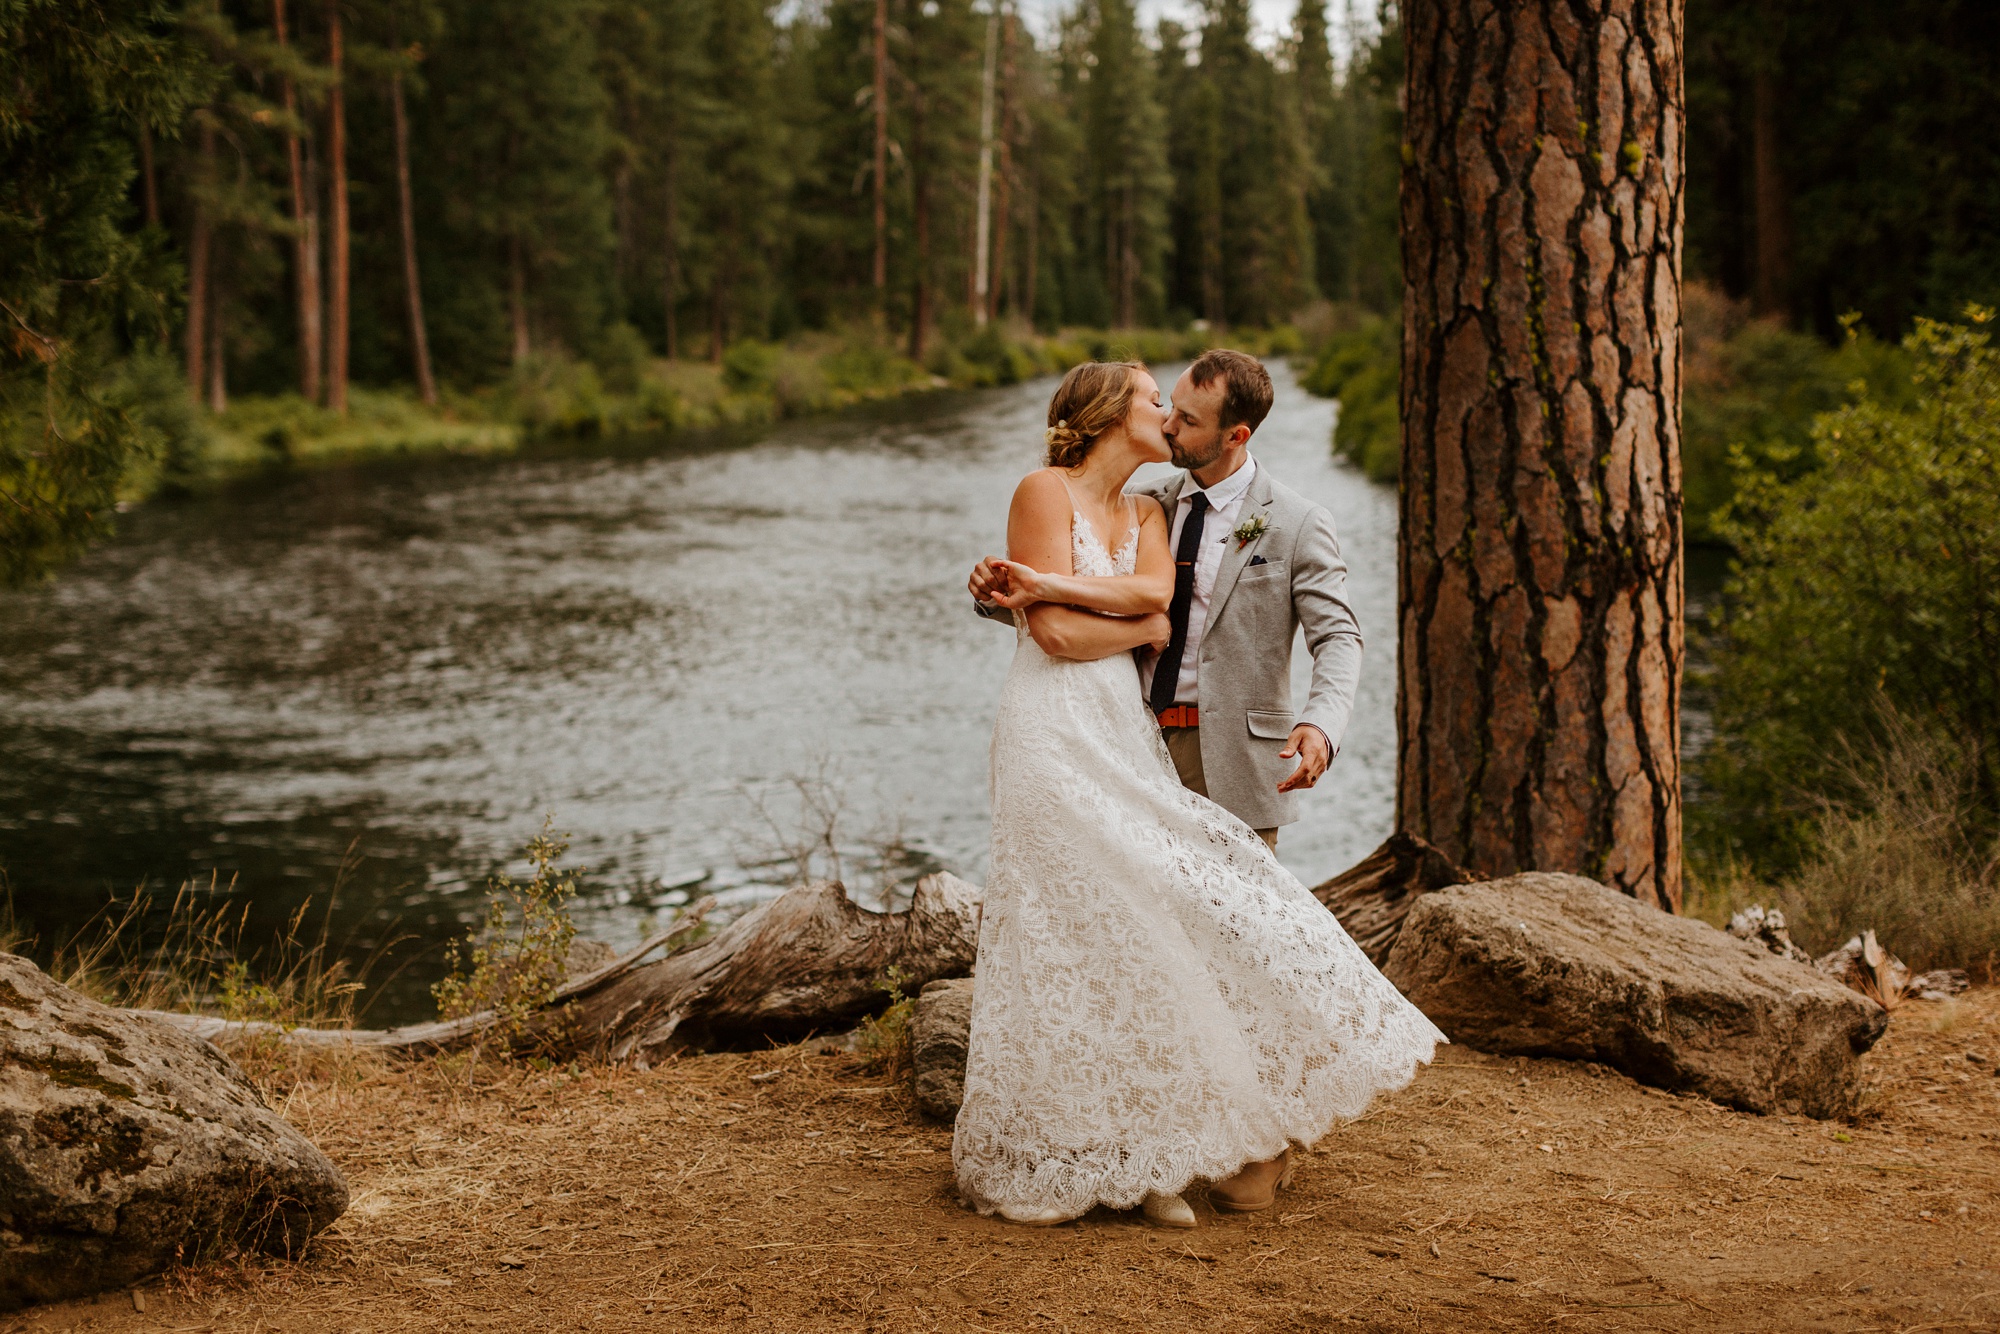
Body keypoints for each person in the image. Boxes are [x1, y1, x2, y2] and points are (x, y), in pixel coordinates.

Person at [953, 359, 1442, 1229]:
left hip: (1237, 763)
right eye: (1164, 409)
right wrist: (1002, 594)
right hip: (1127, 739)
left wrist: (1321, 728)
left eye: (1186, 419)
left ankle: (1269, 1134)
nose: (1171, 428)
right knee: (1135, 953)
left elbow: (1340, 638)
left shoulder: (1294, 522)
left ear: (1236, 434)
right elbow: (1068, 599)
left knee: (1243, 943)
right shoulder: (1157, 500)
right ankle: (1159, 1140)